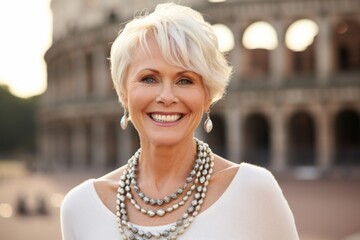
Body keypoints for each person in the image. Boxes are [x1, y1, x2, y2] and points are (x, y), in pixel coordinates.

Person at [60, 2, 299, 240]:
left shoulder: (254, 191)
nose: (166, 97)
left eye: (185, 80)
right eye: (149, 79)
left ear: (208, 96)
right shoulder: (80, 208)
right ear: (124, 93)